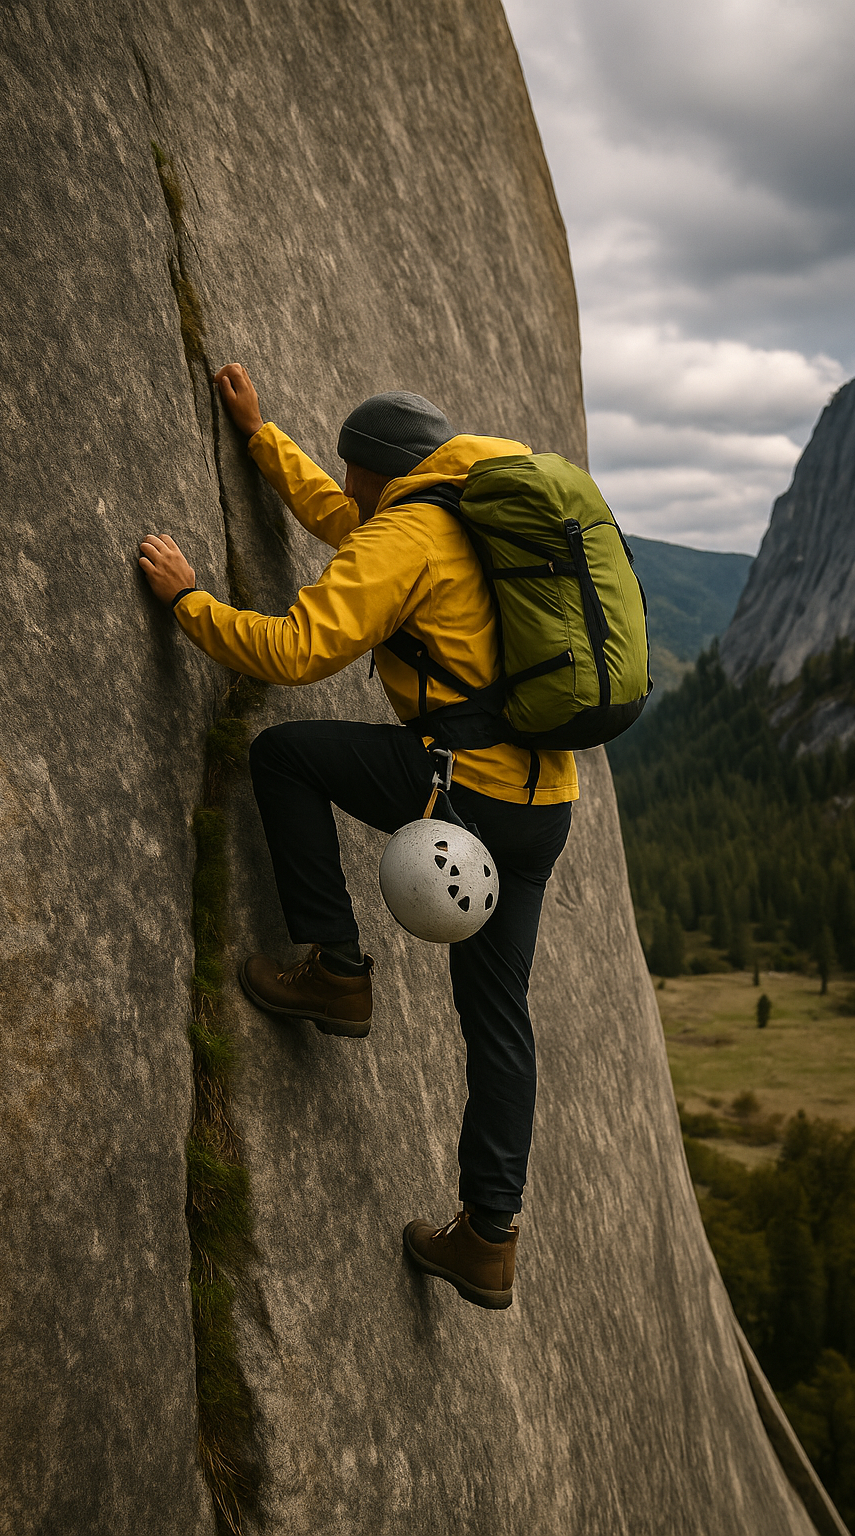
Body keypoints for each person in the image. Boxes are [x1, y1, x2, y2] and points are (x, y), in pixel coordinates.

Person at [138, 362, 577, 1310]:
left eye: (352, 471)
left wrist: (188, 604)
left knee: (288, 755)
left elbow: (297, 651)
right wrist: (263, 437)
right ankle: (489, 1240)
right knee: (498, 1019)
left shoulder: (409, 534)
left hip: (464, 790)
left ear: (383, 472)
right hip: (543, 809)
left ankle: (336, 969)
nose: (348, 489)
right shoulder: (471, 519)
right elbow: (346, 523)